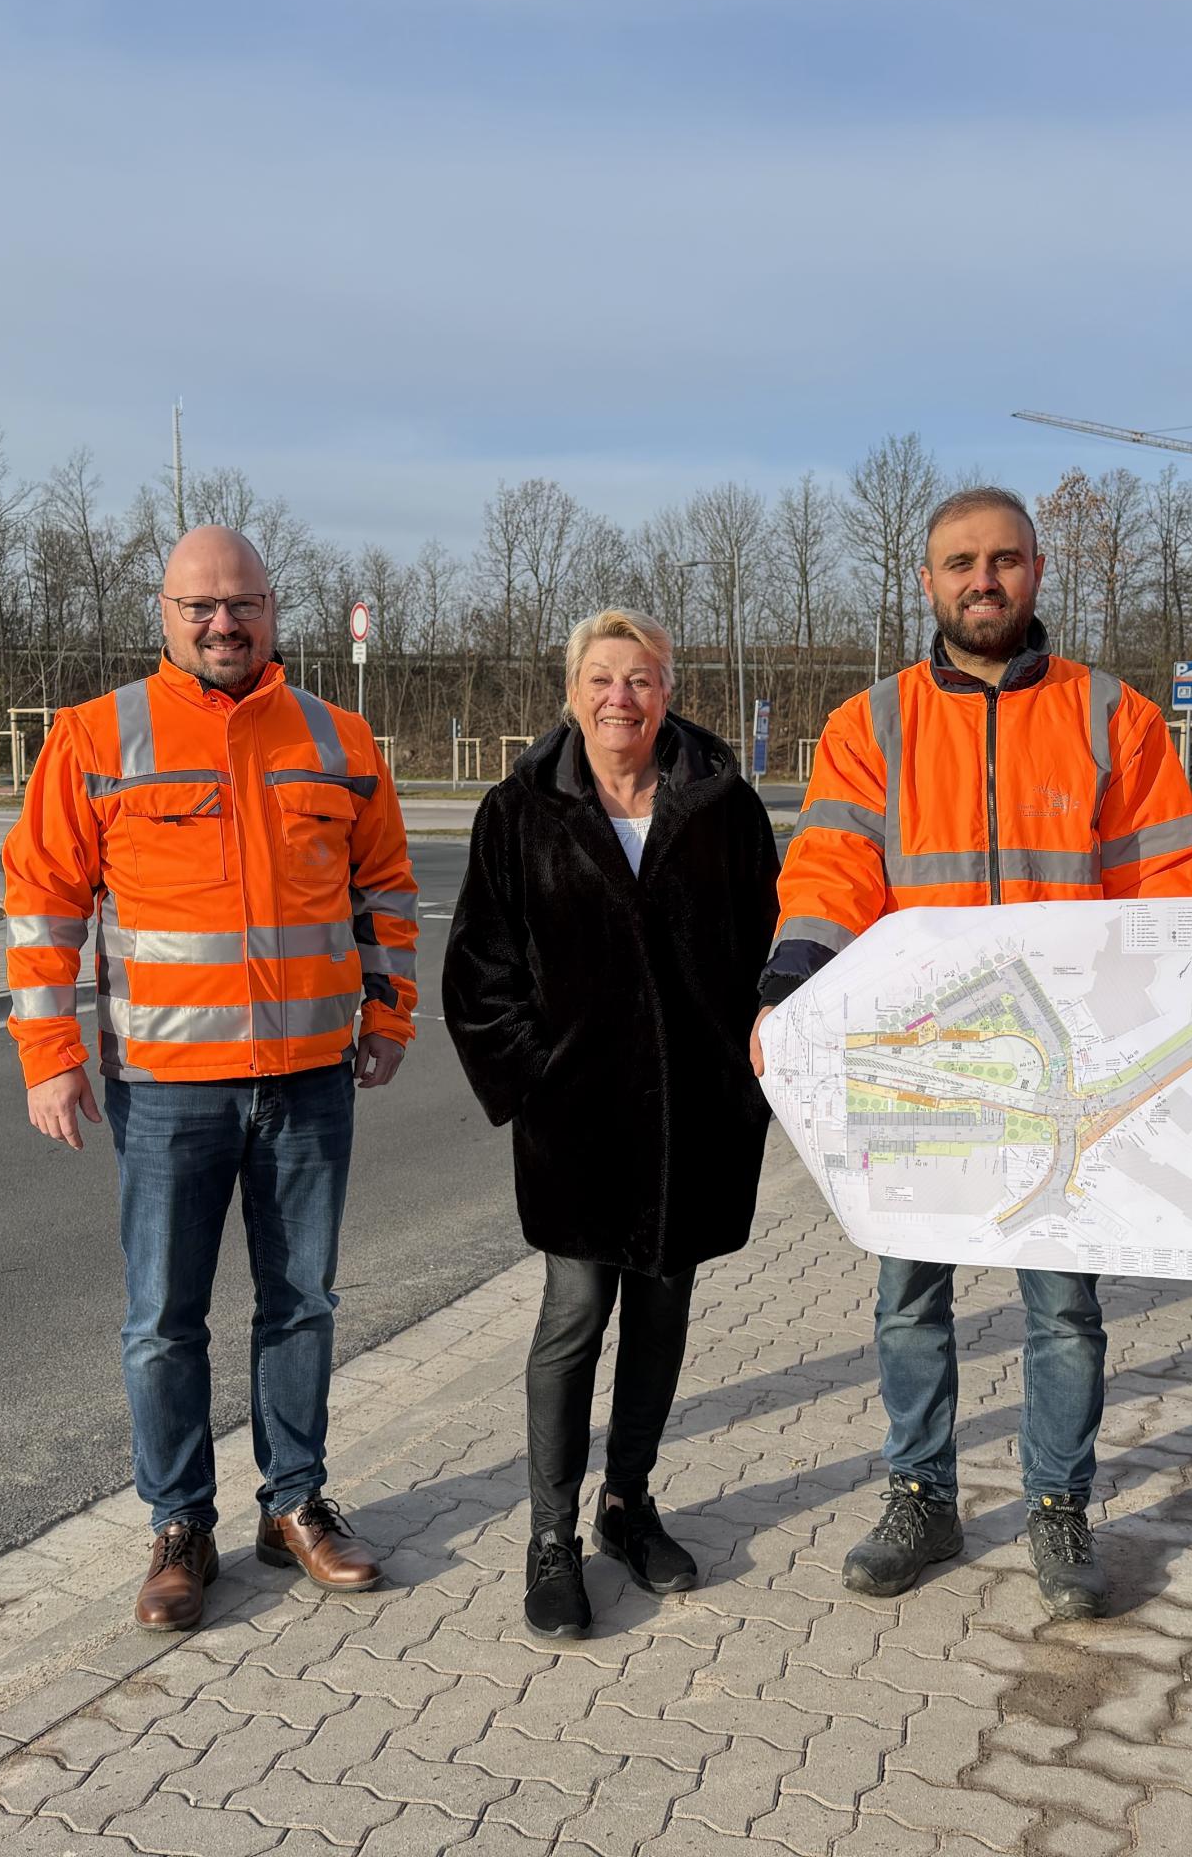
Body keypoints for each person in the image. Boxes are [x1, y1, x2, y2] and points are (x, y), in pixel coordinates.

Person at [755, 486, 1192, 1616]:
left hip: (1066, 1071)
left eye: (1004, 559)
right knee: (910, 1300)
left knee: (1063, 1308)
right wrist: (786, 992)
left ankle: (1058, 1509)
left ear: (1038, 571)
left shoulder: (1116, 718)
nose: (983, 581)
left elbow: (1169, 890)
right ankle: (923, 1496)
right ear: (927, 580)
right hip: (921, 1071)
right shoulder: (873, 725)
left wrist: (1149, 1023)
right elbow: (828, 875)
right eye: (960, 562)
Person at [3, 525, 420, 1632]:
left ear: (274, 612)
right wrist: (48, 1058)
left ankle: (293, 1507)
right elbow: (44, 903)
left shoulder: (337, 737)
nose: (223, 624)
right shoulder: (98, 737)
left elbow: (384, 886)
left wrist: (390, 1015)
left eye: (242, 604)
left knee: (302, 1306)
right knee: (161, 1320)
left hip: (308, 1082)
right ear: (164, 614)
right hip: (169, 1087)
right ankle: (178, 1526)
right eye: (200, 607)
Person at [444, 607, 780, 1639]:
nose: (619, 698)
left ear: (666, 690)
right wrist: (536, 1077)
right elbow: (478, 975)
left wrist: (751, 1063)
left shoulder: (722, 804)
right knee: (575, 1311)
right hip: (575, 1120)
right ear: (572, 691)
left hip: (691, 1114)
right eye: (601, 678)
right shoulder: (518, 810)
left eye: (639, 678)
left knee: (664, 1308)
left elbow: (769, 939)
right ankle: (550, 1534)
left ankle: (625, 1506)